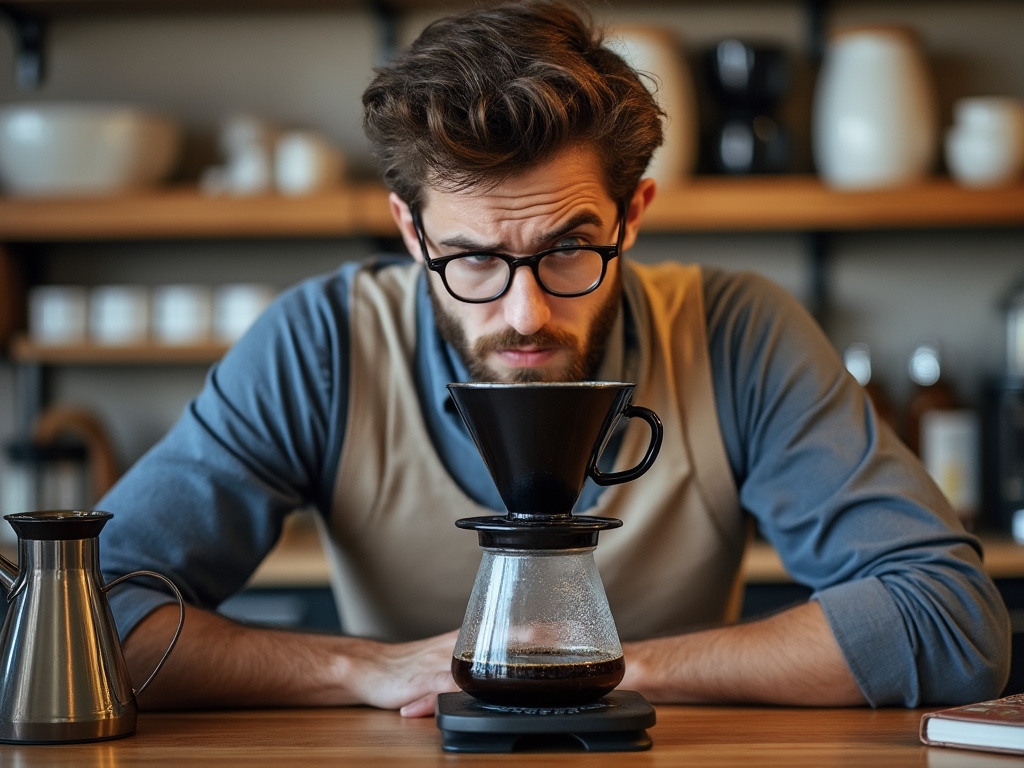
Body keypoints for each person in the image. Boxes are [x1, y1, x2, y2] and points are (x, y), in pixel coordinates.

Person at [103, 0, 1010, 717]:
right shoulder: (322, 345)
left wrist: (604, 671)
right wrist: (362, 670)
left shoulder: (737, 333)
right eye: (474, 259)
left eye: (570, 248)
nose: (526, 313)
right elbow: (83, 615)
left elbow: (949, 620)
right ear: (411, 234)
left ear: (634, 214)